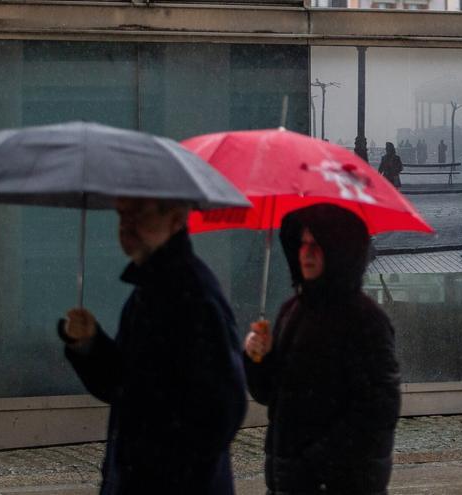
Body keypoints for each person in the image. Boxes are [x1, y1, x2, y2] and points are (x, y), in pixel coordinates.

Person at [59, 197, 247, 495]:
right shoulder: (149, 291)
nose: (126, 225)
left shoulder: (192, 295)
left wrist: (165, 466)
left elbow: (224, 410)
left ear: (176, 218)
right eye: (122, 214)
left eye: (139, 214)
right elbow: (124, 384)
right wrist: (90, 344)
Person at [243, 204, 401, 495]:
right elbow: (269, 394)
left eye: (317, 245)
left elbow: (376, 411)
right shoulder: (293, 310)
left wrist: (315, 464)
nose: (306, 252)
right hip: (288, 482)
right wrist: (257, 358)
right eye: (302, 243)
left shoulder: (365, 320)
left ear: (339, 250)